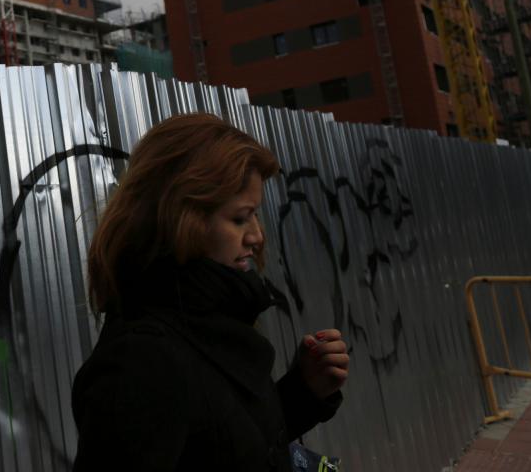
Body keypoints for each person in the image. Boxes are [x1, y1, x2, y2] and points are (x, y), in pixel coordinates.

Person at [71, 113, 348, 471]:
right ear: (182, 219)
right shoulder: (140, 361)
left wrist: (304, 391)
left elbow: (225, 446)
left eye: (255, 215)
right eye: (240, 218)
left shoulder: (208, 321)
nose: (257, 236)